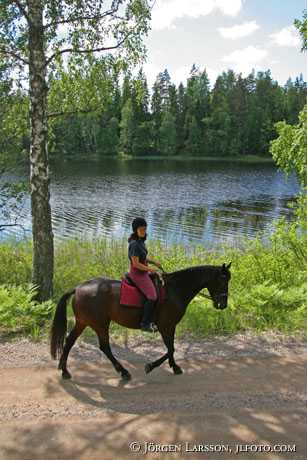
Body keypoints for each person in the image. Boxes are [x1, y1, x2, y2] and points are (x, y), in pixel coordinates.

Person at [127, 217, 162, 332]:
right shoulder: (134, 244)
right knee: (152, 296)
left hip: (143, 271)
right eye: (141, 229)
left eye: (145, 229)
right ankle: (145, 323)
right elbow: (136, 264)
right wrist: (150, 269)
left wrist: (153, 262)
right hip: (137, 274)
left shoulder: (140, 241)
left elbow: (143, 257)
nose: (143, 231)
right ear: (135, 230)